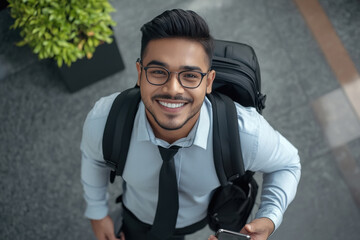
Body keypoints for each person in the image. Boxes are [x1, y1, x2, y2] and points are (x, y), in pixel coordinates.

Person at [80, 9, 301, 240]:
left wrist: (269, 218)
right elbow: (93, 158)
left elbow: (287, 164)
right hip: (136, 215)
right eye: (157, 72)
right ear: (139, 74)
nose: (173, 89)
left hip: (199, 219)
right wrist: (97, 212)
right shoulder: (105, 120)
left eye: (190, 76)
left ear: (208, 82)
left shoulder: (245, 133)